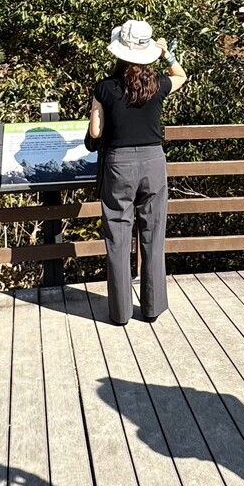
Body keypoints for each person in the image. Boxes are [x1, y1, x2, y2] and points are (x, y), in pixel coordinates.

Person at [87, 20, 188, 325]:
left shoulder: (104, 88)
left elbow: (95, 130)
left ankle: (119, 313)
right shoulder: (158, 85)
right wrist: (167, 54)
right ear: (147, 54)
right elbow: (181, 75)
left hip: (119, 164)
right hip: (154, 162)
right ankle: (152, 307)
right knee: (153, 234)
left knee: (117, 237)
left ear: (119, 53)